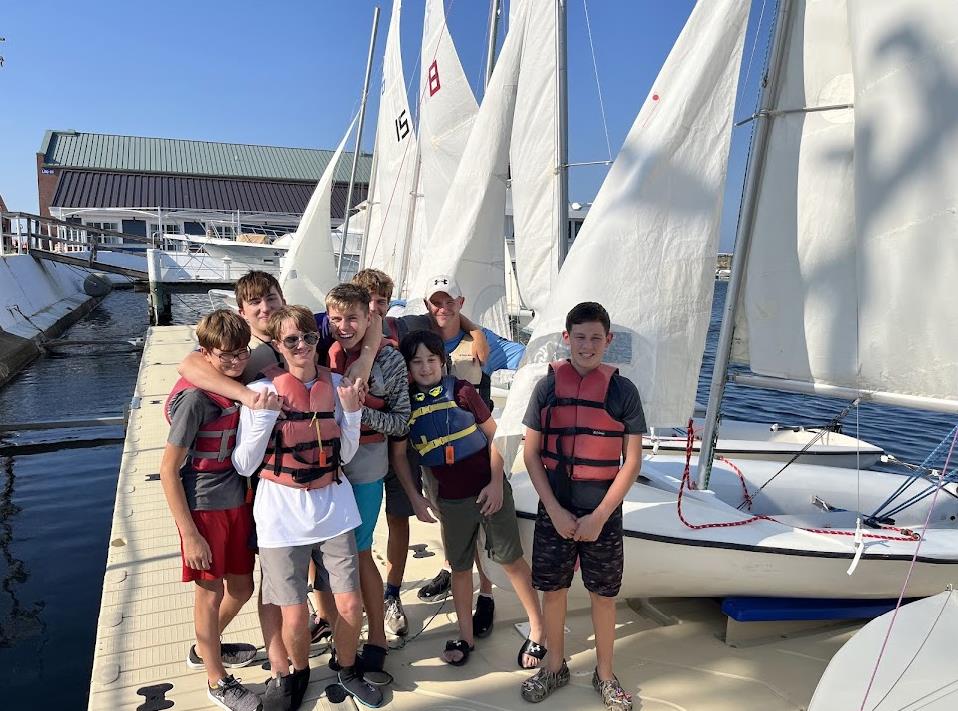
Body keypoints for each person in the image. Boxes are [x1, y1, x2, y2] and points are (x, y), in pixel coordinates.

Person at [230, 305, 383, 710]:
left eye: (308, 338)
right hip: (281, 519)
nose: (301, 346)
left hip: (334, 510)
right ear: (279, 346)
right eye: (291, 340)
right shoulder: (262, 392)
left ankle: (348, 669)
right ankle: (296, 673)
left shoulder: (338, 386)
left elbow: (346, 454)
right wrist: (262, 417)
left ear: (319, 341)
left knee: (349, 603)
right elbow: (244, 464)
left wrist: (351, 414)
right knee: (294, 615)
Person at [519, 302, 645, 711]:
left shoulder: (624, 392)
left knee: (603, 596)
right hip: (555, 509)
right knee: (553, 591)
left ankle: (604, 674)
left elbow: (632, 462)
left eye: (596, 338)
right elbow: (532, 453)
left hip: (602, 515)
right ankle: (554, 666)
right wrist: (554, 509)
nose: (587, 345)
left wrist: (600, 516)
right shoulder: (547, 387)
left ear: (608, 341)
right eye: (580, 336)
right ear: (566, 338)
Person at [396, 330, 545, 668]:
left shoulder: (463, 392)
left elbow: (496, 437)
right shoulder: (406, 404)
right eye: (416, 361)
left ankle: (538, 630)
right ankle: (466, 636)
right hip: (451, 500)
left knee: (511, 560)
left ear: (443, 362)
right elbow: (399, 456)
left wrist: (495, 482)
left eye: (431, 360)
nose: (424, 367)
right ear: (408, 366)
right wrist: (416, 498)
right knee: (460, 569)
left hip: (488, 489)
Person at [411, 274, 525, 636]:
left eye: (449, 302)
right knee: (452, 521)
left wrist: (476, 332)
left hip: (475, 446)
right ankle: (454, 568)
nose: (441, 309)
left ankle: (486, 593)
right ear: (427, 306)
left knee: (480, 522)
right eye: (435, 303)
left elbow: (529, 357)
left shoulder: (483, 342)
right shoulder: (417, 339)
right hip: (435, 454)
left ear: (461, 303)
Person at [159, 309, 260, 711]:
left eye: (241, 354)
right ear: (206, 353)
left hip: (237, 500)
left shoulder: (236, 385)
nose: (235, 362)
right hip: (204, 508)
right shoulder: (196, 399)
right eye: (225, 356)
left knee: (242, 587)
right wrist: (190, 534)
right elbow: (168, 471)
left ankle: (206, 647)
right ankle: (217, 681)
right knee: (210, 593)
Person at [324, 283, 411, 682]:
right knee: (327, 557)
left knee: (359, 554)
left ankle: (375, 636)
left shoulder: (389, 363)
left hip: (364, 469)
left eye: (353, 318)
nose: (344, 326)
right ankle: (340, 630)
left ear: (369, 318)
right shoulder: (321, 343)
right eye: (337, 319)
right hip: (325, 470)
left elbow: (401, 421)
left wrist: (358, 414)